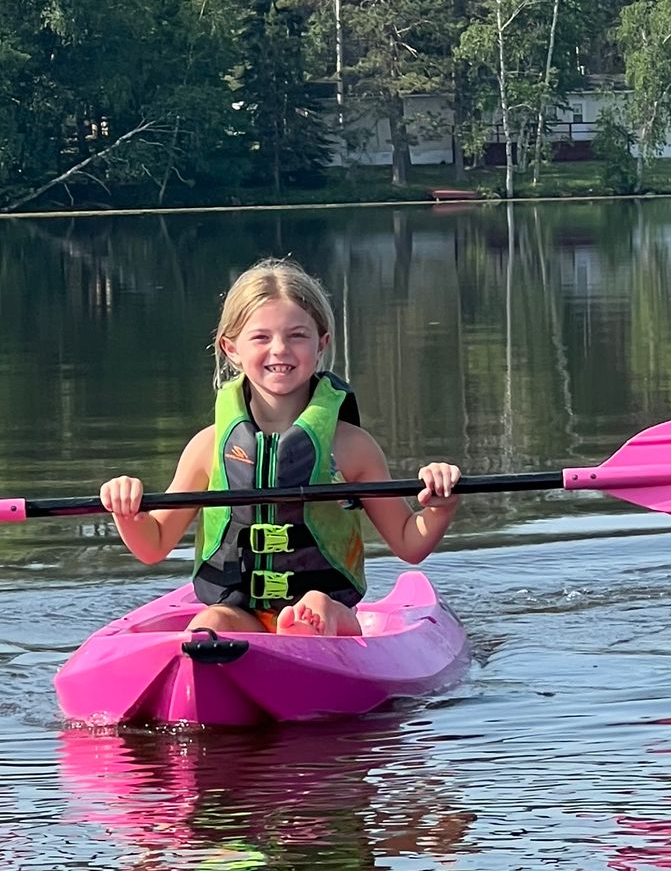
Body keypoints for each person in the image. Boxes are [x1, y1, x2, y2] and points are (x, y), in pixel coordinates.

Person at [100, 258, 460, 637]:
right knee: (211, 623)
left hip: (328, 612)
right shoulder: (207, 448)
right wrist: (127, 512)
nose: (280, 350)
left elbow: (408, 542)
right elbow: (154, 545)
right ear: (231, 348)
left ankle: (304, 636)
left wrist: (439, 505)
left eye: (296, 336)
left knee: (315, 606)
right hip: (242, 612)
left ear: (321, 344)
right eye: (261, 337)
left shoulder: (353, 447)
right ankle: (220, 661)